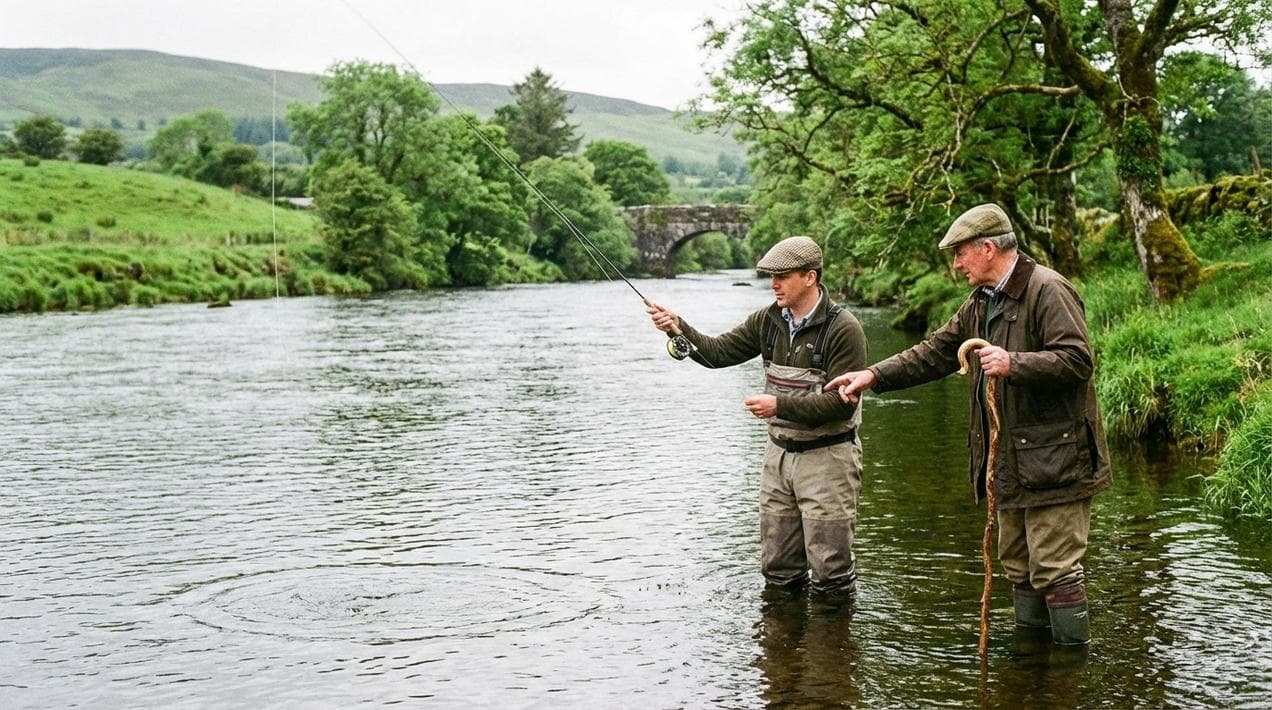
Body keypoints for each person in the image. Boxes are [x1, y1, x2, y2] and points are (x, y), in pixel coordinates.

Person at [823, 203, 1111, 645]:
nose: (956, 264)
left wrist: (1015, 363)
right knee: (1018, 564)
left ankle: (1068, 673)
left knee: (1054, 568)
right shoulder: (981, 303)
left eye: (960, 254)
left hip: (1057, 460)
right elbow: (935, 352)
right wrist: (873, 376)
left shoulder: (1048, 289)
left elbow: (1077, 360)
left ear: (988, 248)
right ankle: (1031, 671)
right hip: (1012, 464)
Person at [647, 236, 867, 596]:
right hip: (778, 457)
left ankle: (832, 650)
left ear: (810, 277)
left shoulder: (844, 329)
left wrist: (778, 405)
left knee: (831, 574)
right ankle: (780, 651)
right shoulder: (767, 321)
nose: (773, 284)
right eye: (770, 276)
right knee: (778, 569)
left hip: (829, 459)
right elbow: (717, 353)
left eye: (782, 276)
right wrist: (677, 327)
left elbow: (842, 404)